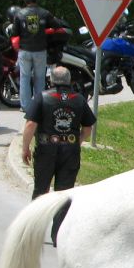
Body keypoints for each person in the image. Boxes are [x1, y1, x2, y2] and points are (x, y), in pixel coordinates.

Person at [21, 66, 96, 199]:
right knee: (63, 195)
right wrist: (76, 143)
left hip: (46, 150)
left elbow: (31, 124)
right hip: (70, 152)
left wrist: (25, 148)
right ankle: (60, 220)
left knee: (41, 192)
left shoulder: (42, 97)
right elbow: (88, 127)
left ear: (51, 80)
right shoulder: (79, 99)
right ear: (69, 80)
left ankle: (39, 219)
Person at [12, 0, 64, 111]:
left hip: (25, 50)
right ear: (36, 0)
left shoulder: (19, 14)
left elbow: (15, 32)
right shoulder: (44, 13)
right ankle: (39, 104)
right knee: (40, 77)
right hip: (40, 50)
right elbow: (57, 25)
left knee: (24, 77)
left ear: (25, 1)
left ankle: (25, 106)